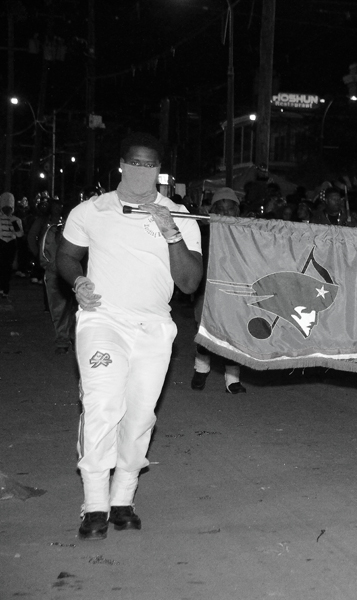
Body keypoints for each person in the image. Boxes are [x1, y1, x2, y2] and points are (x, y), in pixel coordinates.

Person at [56, 132, 203, 540]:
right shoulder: (92, 210)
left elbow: (190, 283)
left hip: (154, 327)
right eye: (135, 164)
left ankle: (123, 499)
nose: (142, 171)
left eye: (150, 165)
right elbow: (65, 255)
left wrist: (172, 232)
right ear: (121, 165)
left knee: (140, 414)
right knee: (103, 404)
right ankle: (95, 505)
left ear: (161, 171)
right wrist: (78, 280)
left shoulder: (180, 215)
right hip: (103, 321)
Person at [191, 188, 246, 394]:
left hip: (235, 290)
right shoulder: (202, 231)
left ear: (237, 211)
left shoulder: (247, 233)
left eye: (230, 209)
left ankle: (232, 379)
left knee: (233, 335)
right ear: (212, 210)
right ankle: (201, 368)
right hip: (206, 289)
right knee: (206, 335)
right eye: (220, 209)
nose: (225, 213)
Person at [39, 199, 77, 354]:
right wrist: (50, 265)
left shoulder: (81, 234)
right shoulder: (53, 231)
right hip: (55, 275)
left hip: (75, 275)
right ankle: (62, 340)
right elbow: (42, 252)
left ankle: (74, 337)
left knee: (76, 309)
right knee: (58, 310)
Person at [0, 192, 24, 298]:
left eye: (8, 207)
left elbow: (19, 234)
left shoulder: (16, 220)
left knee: (7, 267)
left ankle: (5, 289)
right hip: (0, 243)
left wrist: (13, 223)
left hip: (10, 244)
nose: (6, 209)